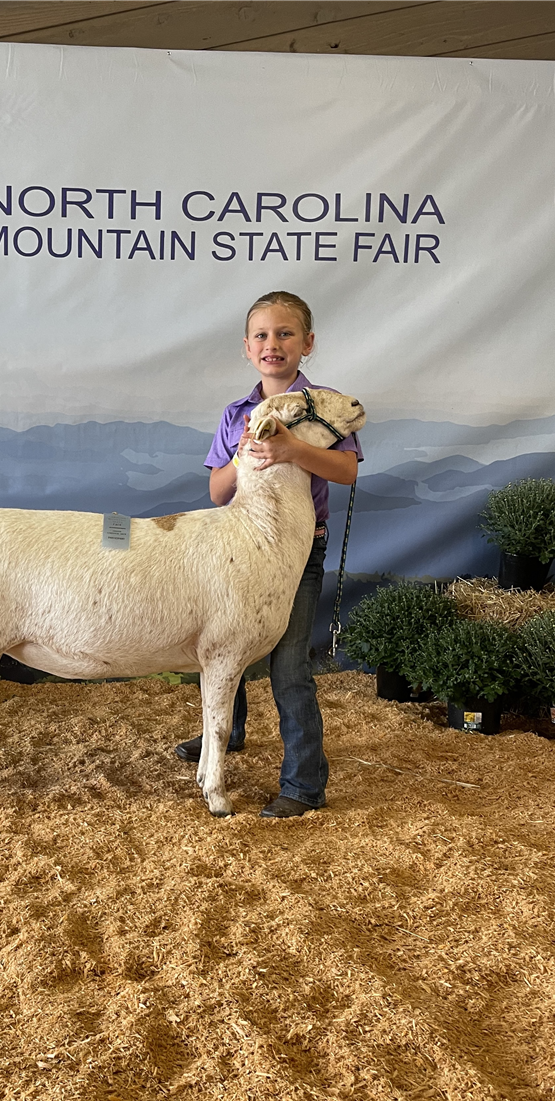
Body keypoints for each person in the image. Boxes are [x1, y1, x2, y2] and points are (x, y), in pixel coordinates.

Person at [174, 290, 363, 818]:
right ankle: (227, 734)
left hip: (295, 554)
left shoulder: (321, 406)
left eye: (284, 334)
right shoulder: (237, 412)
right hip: (237, 546)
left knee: (289, 665)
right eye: (261, 335)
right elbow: (217, 491)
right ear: (246, 347)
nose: (272, 344)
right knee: (222, 640)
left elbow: (346, 471)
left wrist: (290, 449)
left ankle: (303, 783)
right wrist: (245, 454)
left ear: (307, 343)